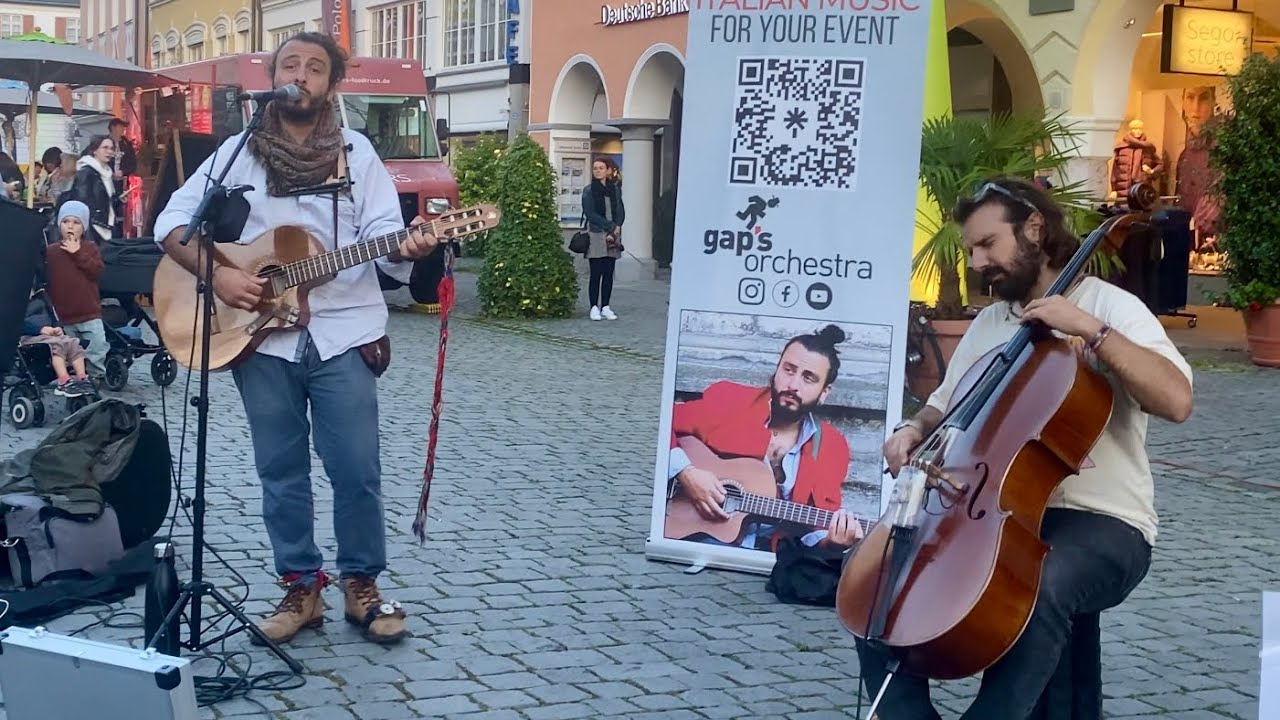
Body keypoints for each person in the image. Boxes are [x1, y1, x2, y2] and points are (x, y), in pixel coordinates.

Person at [859, 176, 1194, 719]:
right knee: (874, 576)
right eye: (970, 249)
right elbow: (942, 406)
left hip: (1100, 522)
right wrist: (913, 429)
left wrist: (1090, 330)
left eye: (988, 244)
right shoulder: (991, 322)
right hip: (996, 512)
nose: (975, 262)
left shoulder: (1112, 307)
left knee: (1035, 584)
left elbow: (1177, 401)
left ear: (1034, 228)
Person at [152, 31, 438, 646]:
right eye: (290, 65)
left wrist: (411, 246)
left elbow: (387, 238)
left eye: (314, 68)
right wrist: (223, 275)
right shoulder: (239, 151)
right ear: (272, 80)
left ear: (332, 84)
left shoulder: (359, 154)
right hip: (260, 336)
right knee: (280, 470)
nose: (301, 75)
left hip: (344, 332)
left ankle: (362, 584)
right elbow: (172, 223)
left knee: (355, 468)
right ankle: (302, 586)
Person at [667, 324, 863, 550]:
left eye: (808, 378)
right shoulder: (730, 400)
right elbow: (663, 421)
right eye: (788, 370)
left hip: (769, 555)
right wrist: (686, 472)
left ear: (824, 393)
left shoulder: (832, 446)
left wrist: (831, 541)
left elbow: (820, 523)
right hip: (696, 539)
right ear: (777, 368)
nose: (793, 385)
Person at [44, 201, 108, 380]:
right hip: (64, 315)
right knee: (68, 350)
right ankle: (73, 377)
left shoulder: (90, 248)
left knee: (97, 345)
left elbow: (97, 271)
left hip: (89, 311)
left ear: (84, 227)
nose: (70, 226)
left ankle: (96, 376)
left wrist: (78, 253)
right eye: (66, 221)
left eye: (76, 222)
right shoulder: (51, 252)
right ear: (59, 225)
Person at [19, 291, 94, 397]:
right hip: (30, 335)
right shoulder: (14, 301)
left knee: (72, 342)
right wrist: (39, 329)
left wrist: (57, 327)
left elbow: (53, 316)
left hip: (49, 333)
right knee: (57, 344)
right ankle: (63, 381)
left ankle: (82, 379)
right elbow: (15, 323)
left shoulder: (41, 296)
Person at [581, 157, 624, 321]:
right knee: (596, 272)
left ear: (608, 170)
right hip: (596, 234)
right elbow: (590, 213)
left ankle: (605, 306)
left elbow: (620, 209)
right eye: (595, 168)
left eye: (600, 168)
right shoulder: (589, 190)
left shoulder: (615, 189)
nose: (597, 171)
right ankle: (593, 306)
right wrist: (609, 226)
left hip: (613, 235)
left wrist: (618, 225)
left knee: (608, 272)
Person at [72, 136, 117, 243]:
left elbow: (107, 201)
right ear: (95, 150)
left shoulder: (107, 173)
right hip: (92, 226)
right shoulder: (86, 172)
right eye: (105, 148)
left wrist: (119, 199)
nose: (109, 151)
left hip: (107, 224)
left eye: (111, 148)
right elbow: (81, 200)